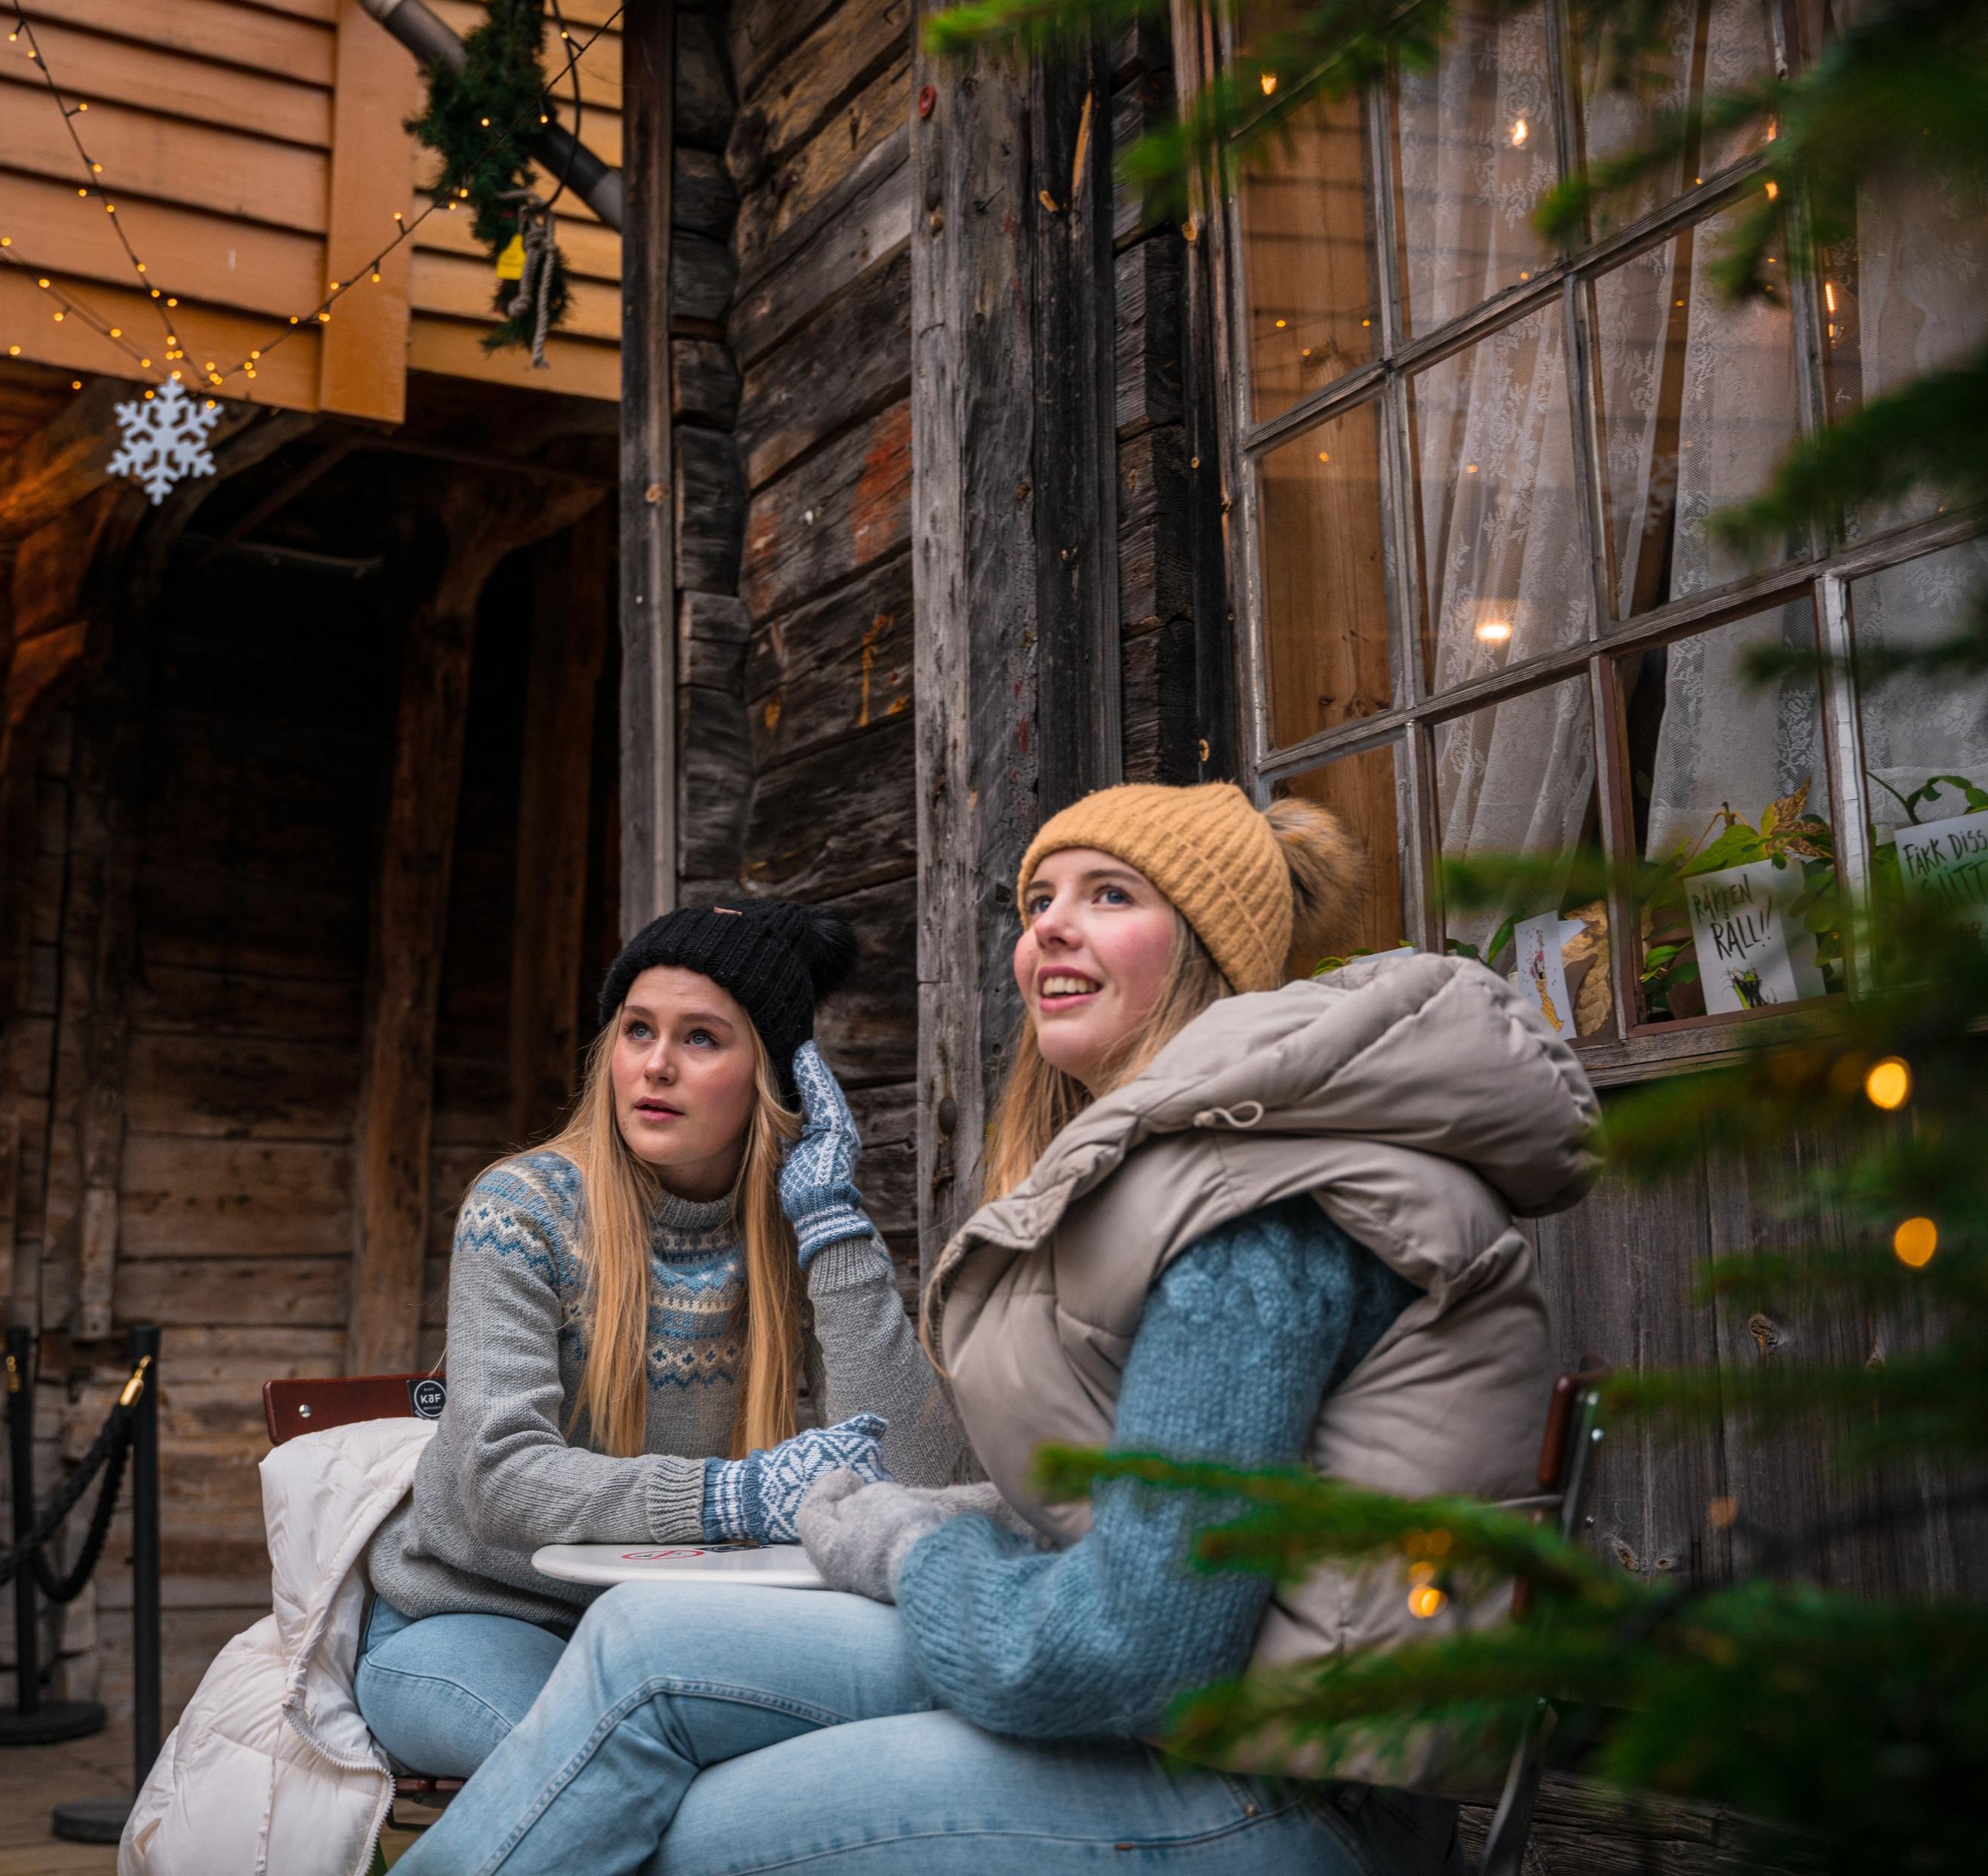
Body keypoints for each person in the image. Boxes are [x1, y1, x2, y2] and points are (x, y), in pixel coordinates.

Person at [396, 783, 1601, 1874]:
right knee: (644, 1652)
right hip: (1197, 1697)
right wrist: (863, 1513)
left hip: (1281, 1774)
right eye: (1037, 900)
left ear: (1209, 949)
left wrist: (900, 1528)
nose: (1049, 929)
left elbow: (1130, 1638)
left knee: (682, 1825)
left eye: (1111, 895)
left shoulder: (1260, 1209)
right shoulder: (1183, 1173)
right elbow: (1115, 1526)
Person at [353, 897, 962, 1784]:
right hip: (476, 1617)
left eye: (702, 1037)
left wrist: (834, 1224)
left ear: (773, 1075)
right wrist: (733, 1498)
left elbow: (920, 1478)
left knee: (825, 1770)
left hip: (676, 1624)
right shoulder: (523, 1210)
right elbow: (498, 1475)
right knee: (618, 1773)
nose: (658, 1065)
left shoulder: (792, 1228)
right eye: (638, 1029)